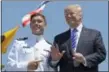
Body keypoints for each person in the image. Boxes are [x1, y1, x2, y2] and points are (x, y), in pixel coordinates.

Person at [49, 4, 106, 72]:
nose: (68, 16)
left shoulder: (95, 34)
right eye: (66, 15)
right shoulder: (58, 38)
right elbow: (52, 62)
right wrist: (55, 60)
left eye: (71, 13)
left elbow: (101, 54)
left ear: (80, 15)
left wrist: (84, 59)